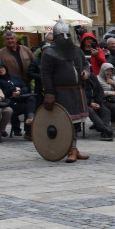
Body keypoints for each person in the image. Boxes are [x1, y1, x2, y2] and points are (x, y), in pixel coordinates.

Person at [39, 20, 89, 163]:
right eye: (61, 36)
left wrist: (86, 73)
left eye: (67, 35)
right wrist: (49, 93)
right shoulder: (49, 53)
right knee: (67, 123)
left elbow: (85, 64)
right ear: (56, 37)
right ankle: (71, 150)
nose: (65, 38)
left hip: (77, 91)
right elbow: (46, 74)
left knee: (77, 123)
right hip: (62, 93)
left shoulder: (76, 51)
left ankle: (74, 148)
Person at [80, 65, 115, 141]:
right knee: (91, 112)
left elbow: (100, 90)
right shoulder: (78, 79)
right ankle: (107, 130)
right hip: (83, 103)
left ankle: (105, 133)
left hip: (96, 101)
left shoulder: (92, 76)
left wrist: (98, 102)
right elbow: (79, 96)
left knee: (106, 111)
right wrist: (90, 103)